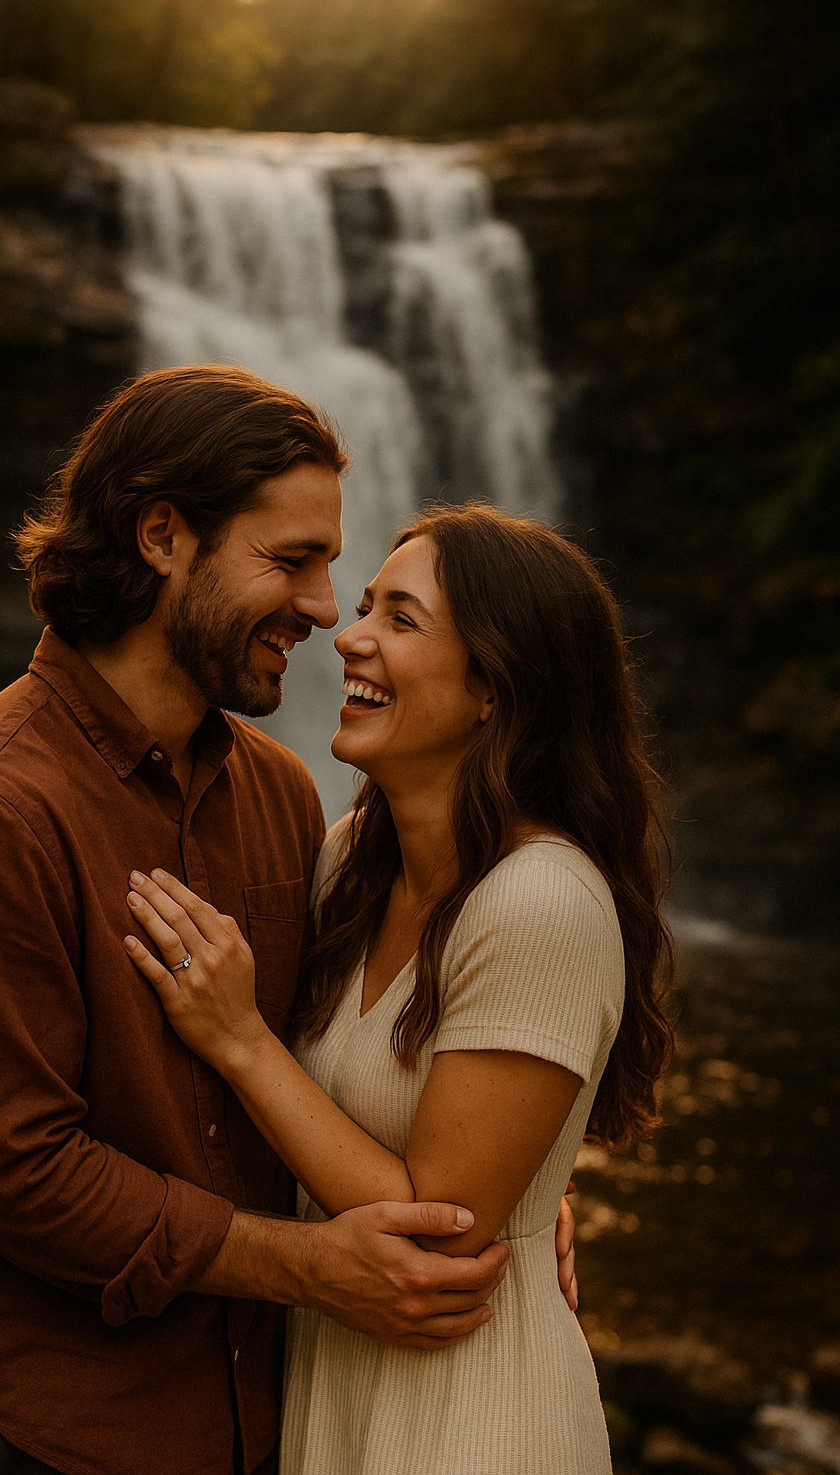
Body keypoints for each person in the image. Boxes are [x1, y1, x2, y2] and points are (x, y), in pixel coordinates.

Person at [0, 368, 576, 1475]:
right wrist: (306, 1267)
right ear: (161, 536)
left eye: (331, 568)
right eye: (291, 561)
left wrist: (520, 1178)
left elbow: (329, 1049)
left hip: (268, 1413)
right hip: (56, 1428)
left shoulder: (282, 795)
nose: (319, 609)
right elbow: (15, 1175)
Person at [122, 503, 675, 1475]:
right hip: (337, 1386)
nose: (350, 633)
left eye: (400, 619)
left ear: (495, 686)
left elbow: (439, 1234)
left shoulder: (541, 901)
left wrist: (240, 1040)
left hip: (470, 1414)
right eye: (367, 604)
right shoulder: (347, 862)